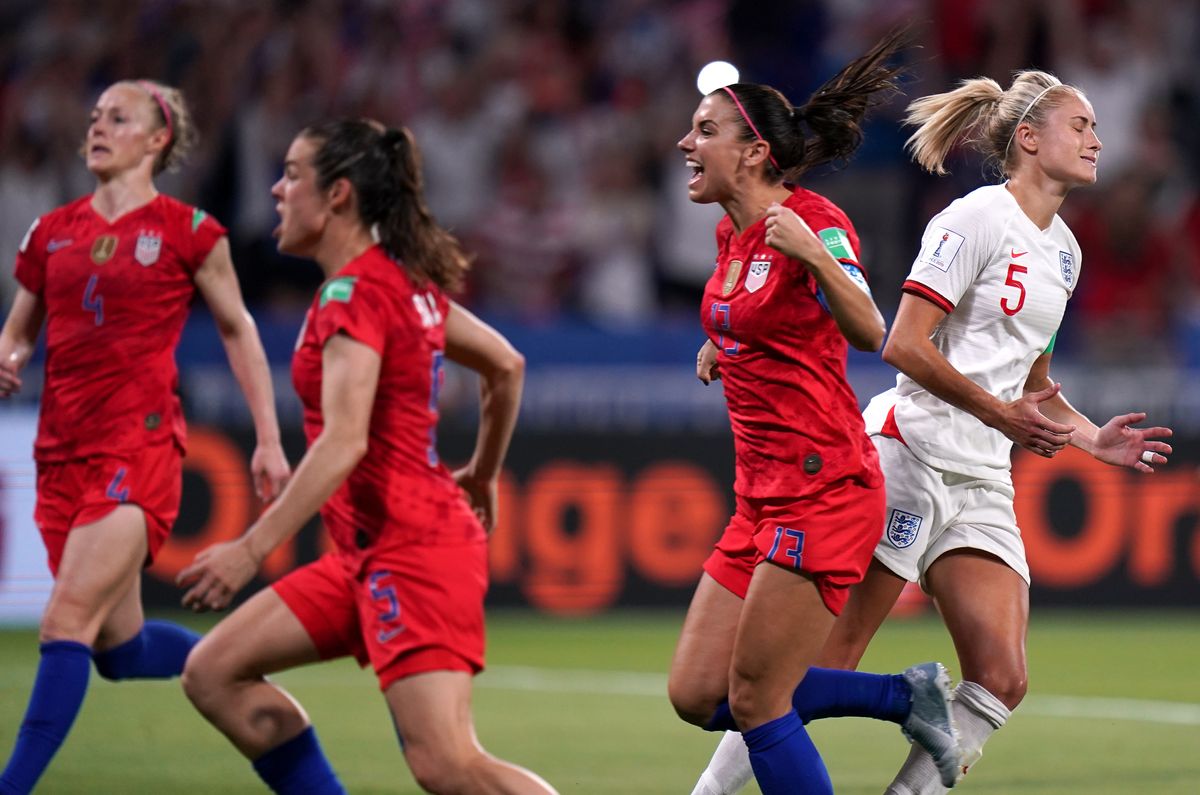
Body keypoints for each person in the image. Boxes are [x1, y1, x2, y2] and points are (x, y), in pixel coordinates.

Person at [688, 69, 1175, 795]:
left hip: (981, 474)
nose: (1097, 139)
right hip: (910, 453)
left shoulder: (1065, 252)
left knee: (1002, 678)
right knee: (823, 660)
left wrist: (1088, 436)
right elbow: (903, 345)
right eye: (1082, 125)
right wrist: (998, 412)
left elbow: (1032, 385)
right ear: (1030, 138)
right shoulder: (973, 219)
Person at [175, 119, 558, 795]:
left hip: (412, 550)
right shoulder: (400, 283)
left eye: (293, 174)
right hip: (367, 553)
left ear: (339, 196)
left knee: (447, 764)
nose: (276, 188)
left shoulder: (351, 295)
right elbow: (506, 364)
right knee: (213, 672)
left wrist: (250, 548)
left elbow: (344, 441)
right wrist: (484, 473)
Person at [666, 31, 965, 795]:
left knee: (759, 701)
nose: (685, 142)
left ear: (756, 151)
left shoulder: (812, 218)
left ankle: (905, 696)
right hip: (758, 497)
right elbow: (762, 317)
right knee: (696, 693)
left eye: (705, 131)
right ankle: (904, 695)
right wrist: (719, 341)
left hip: (824, 488)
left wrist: (815, 252)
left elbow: (873, 332)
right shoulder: (729, 231)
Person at [0, 79, 289, 794]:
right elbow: (18, 331)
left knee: (65, 616)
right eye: (94, 115)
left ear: (158, 139)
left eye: (117, 118)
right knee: (117, 649)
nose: (97, 126)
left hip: (139, 447)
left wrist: (268, 437)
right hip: (60, 452)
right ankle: (228, 658)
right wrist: (4, 359)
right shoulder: (50, 231)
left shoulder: (190, 231)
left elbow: (238, 330)